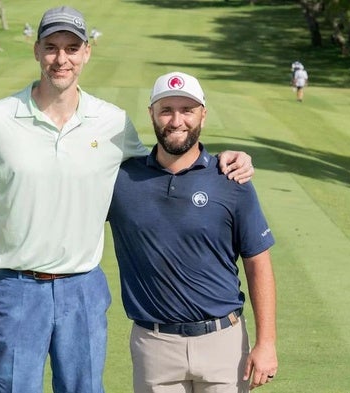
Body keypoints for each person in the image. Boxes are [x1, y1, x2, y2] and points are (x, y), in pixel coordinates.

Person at [0, 6, 255, 393]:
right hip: (16, 290)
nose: (61, 59)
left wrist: (221, 161)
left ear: (86, 53)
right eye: (51, 47)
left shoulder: (111, 122)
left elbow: (160, 163)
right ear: (36, 52)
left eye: (71, 48)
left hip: (83, 289)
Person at [108, 71, 277, 392]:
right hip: (154, 346)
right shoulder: (121, 180)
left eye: (187, 110)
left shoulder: (231, 178)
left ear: (203, 114)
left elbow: (259, 263)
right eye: (166, 110)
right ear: (151, 115)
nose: (176, 120)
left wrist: (266, 343)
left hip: (224, 344)